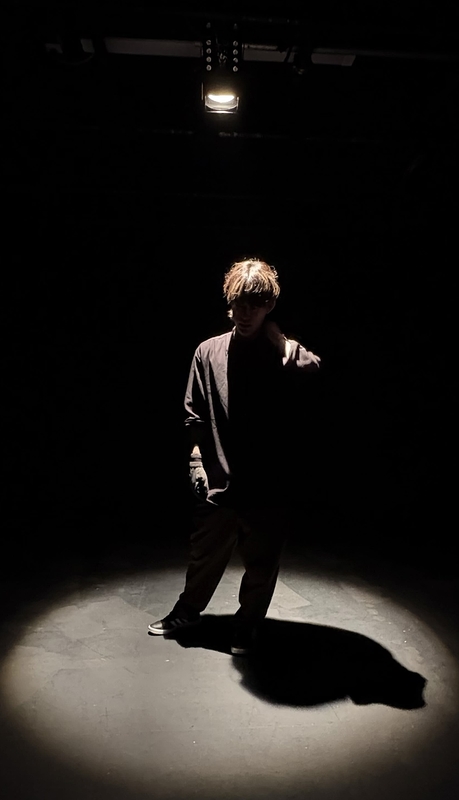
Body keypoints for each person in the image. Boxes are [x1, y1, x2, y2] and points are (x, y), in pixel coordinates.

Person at [148, 259, 321, 654]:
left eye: (254, 306)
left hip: (269, 483)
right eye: (239, 304)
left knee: (262, 562)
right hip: (220, 478)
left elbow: (313, 369)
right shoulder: (208, 352)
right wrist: (196, 460)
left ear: (269, 306)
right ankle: (188, 610)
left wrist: (281, 342)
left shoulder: (279, 352)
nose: (245, 314)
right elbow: (194, 413)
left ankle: (247, 625)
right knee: (204, 553)